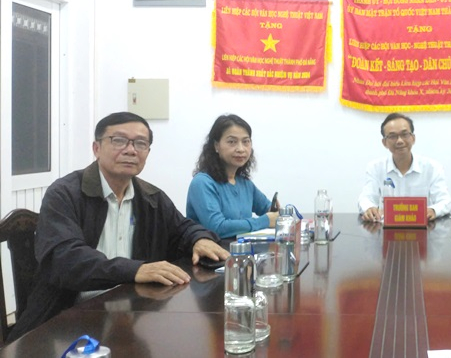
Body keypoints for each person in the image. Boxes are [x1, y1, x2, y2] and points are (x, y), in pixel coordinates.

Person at [8, 112, 229, 342]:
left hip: (129, 315)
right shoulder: (65, 193)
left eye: (140, 143)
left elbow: (182, 228)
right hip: (63, 319)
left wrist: (199, 239)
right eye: (119, 140)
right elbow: (65, 259)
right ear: (96, 148)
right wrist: (134, 270)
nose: (131, 150)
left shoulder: (151, 197)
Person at [186, 114, 278, 239]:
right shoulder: (202, 183)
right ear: (216, 146)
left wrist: (277, 212)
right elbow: (217, 228)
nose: (241, 149)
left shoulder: (245, 183)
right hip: (214, 249)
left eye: (246, 142)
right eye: (232, 142)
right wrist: (265, 221)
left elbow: (268, 210)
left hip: (242, 249)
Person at [359, 112, 451, 222]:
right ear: (384, 142)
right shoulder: (375, 168)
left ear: (413, 138)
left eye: (405, 135)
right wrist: (369, 208)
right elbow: (365, 198)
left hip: (423, 228)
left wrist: (433, 210)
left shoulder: (432, 168)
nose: (399, 141)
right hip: (387, 228)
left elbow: (446, 201)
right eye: (393, 136)